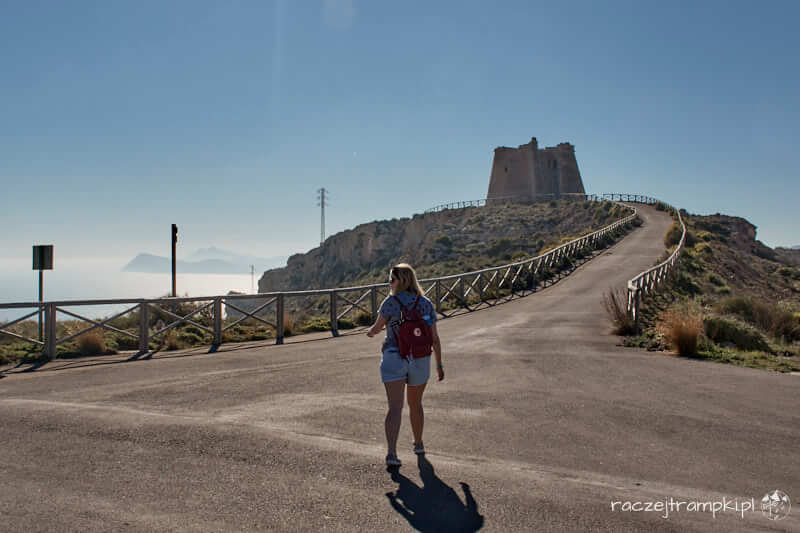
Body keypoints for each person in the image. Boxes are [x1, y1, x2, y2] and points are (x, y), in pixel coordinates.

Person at [367, 263, 444, 467]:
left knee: (394, 408)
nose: (389, 283)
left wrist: (371, 332)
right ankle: (418, 444)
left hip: (394, 357)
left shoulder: (390, 303)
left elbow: (376, 328)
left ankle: (392, 454)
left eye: (391, 279)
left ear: (400, 281)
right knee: (415, 404)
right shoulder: (425, 303)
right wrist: (439, 365)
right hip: (420, 359)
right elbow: (434, 338)